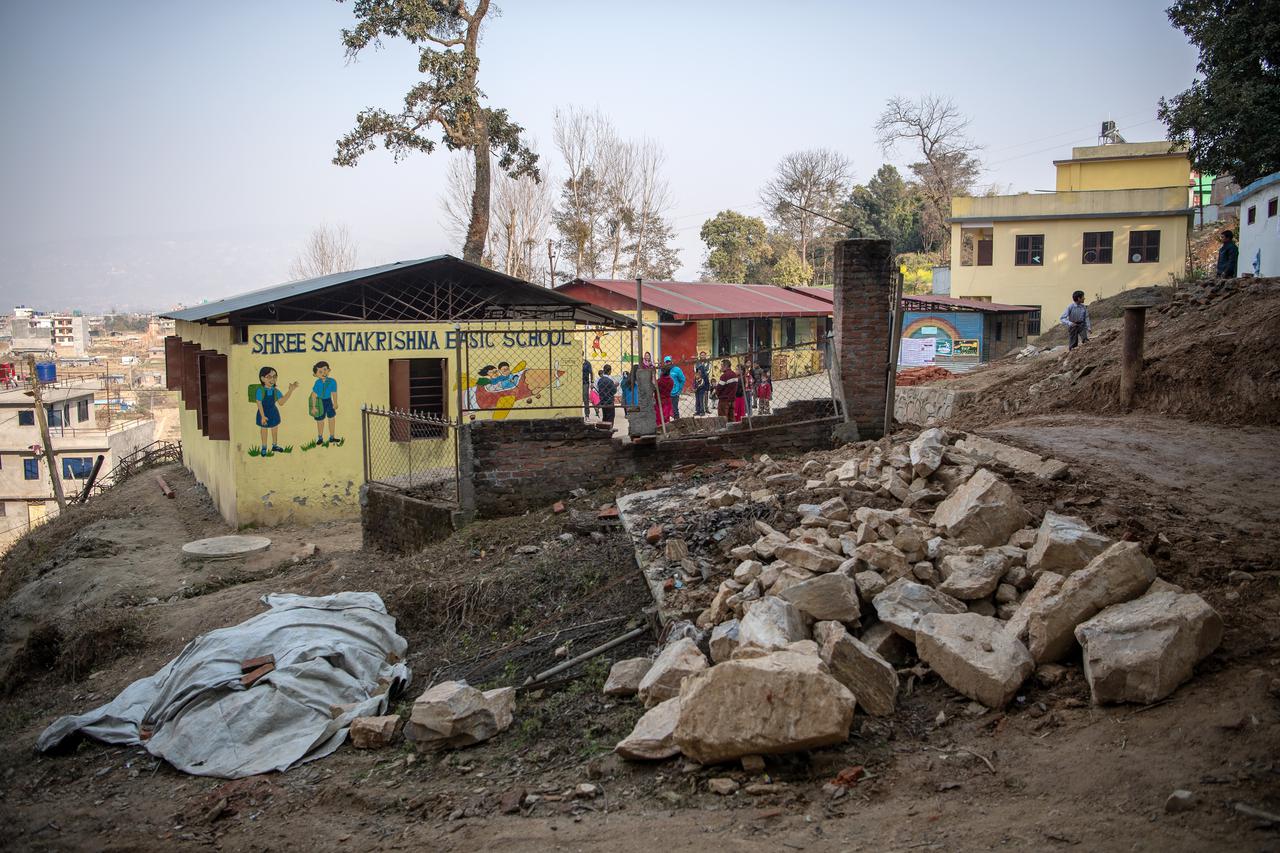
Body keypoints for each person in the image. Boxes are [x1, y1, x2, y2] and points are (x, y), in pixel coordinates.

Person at [254, 366, 298, 456]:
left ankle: (274, 446)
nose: (272, 379)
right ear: (262, 378)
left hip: (273, 412)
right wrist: (262, 416)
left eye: (274, 377)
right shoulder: (260, 390)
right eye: (269, 377)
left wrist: (290, 390)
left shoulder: (275, 391)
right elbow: (259, 403)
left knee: (274, 429)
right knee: (264, 430)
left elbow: (281, 402)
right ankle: (264, 447)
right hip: (263, 413)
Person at [309, 361, 340, 445]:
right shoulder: (317, 383)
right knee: (320, 421)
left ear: (329, 370)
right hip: (320, 402)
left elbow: (334, 392)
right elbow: (314, 395)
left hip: (329, 401)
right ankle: (320, 438)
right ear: (315, 374)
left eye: (325, 370)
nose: (324, 373)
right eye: (320, 371)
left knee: (331, 418)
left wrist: (335, 403)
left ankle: (332, 437)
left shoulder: (332, 381)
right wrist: (314, 406)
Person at [693, 351, 710, 416]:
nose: (702, 356)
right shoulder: (697, 363)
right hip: (697, 380)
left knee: (705, 396)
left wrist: (702, 372)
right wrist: (699, 374)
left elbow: (708, 371)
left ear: (706, 356)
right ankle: (698, 410)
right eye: (701, 355)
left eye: (704, 355)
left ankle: (705, 409)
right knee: (698, 397)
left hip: (705, 380)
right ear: (700, 356)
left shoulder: (708, 363)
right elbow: (695, 370)